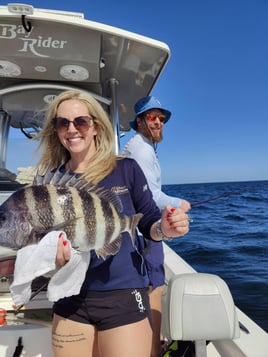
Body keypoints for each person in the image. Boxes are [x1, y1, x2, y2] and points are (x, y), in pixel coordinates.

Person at [35, 90, 190, 357]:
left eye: (80, 121)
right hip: (69, 296)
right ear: (57, 130)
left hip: (123, 294)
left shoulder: (126, 169)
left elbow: (149, 220)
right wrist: (49, 256)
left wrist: (165, 228)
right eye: (63, 123)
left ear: (95, 126)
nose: (72, 129)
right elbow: (42, 237)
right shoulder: (50, 181)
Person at [122, 96, 191, 357]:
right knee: (154, 286)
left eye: (161, 118)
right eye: (152, 117)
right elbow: (149, 196)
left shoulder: (143, 147)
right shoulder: (141, 149)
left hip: (137, 226)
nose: (159, 122)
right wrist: (181, 202)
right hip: (143, 230)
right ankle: (152, 350)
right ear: (139, 121)